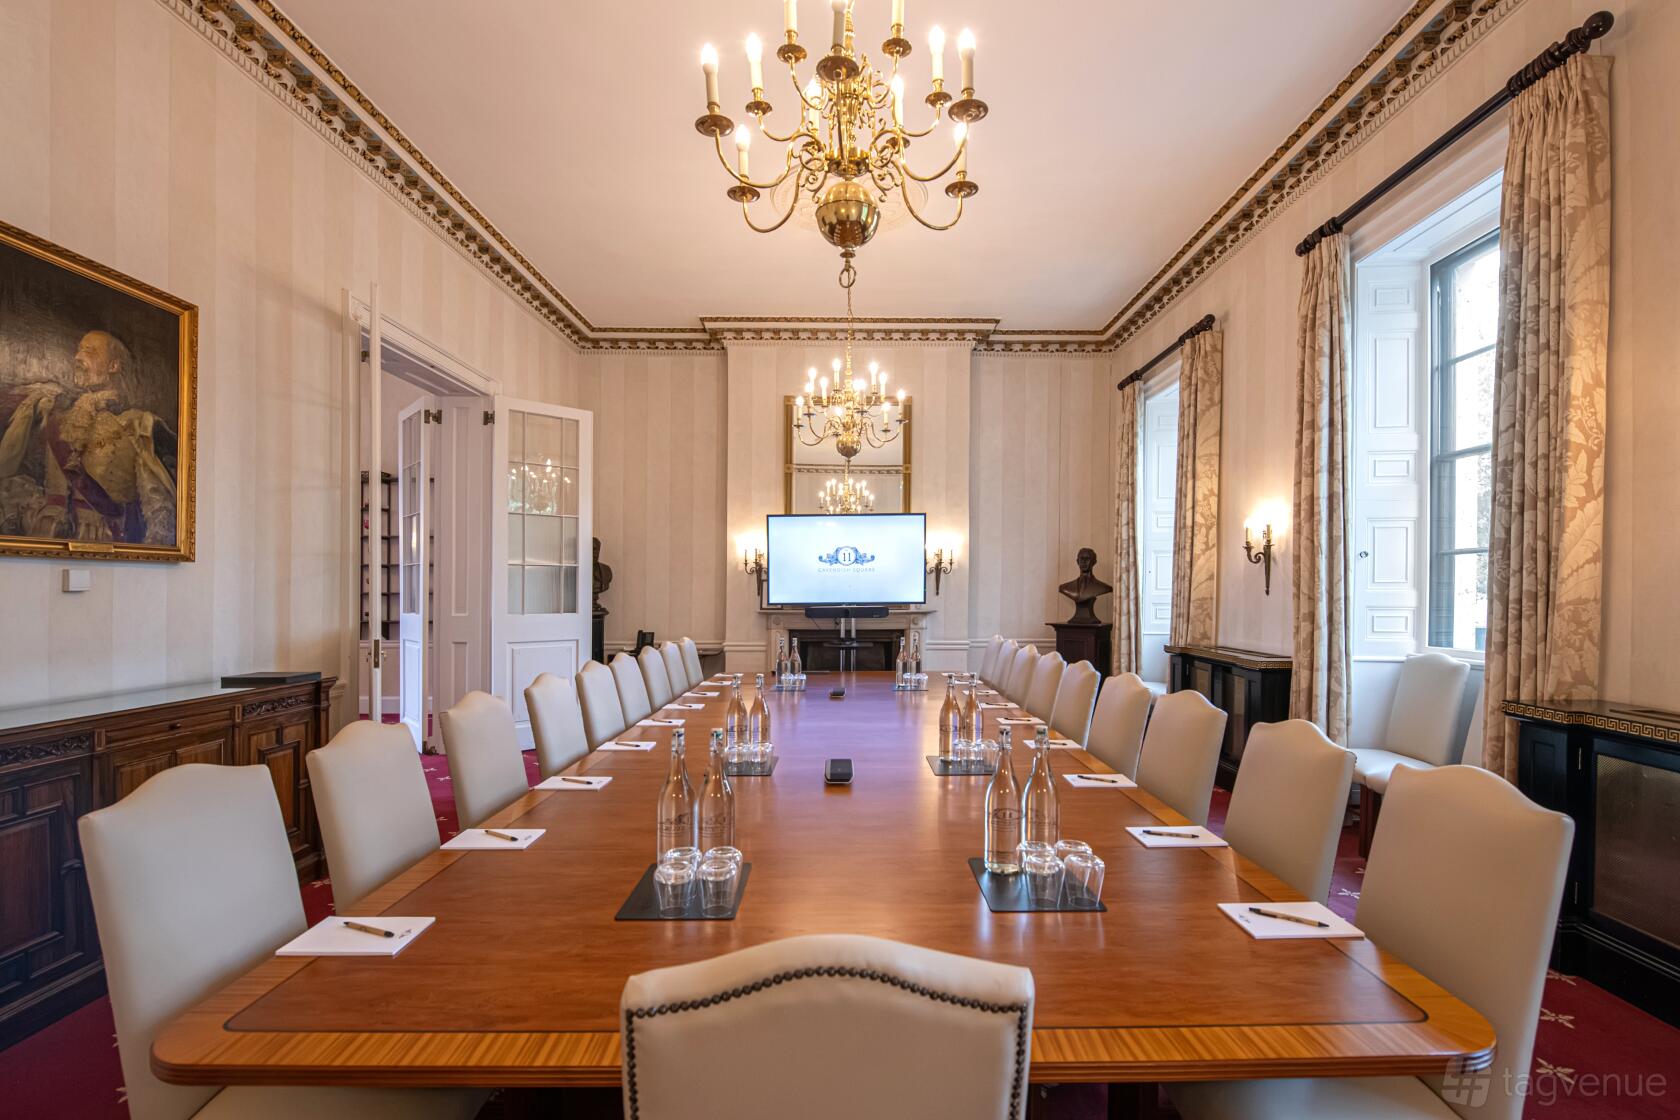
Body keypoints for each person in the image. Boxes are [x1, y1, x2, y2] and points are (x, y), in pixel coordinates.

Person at [0, 330, 177, 545]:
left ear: (113, 366)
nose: (77, 357)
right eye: (79, 349)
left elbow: (157, 503)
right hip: (50, 533)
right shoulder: (58, 417)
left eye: (90, 351)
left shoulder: (137, 423)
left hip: (105, 537)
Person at [1057, 547, 1112, 625]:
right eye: (1081, 559)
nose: (1084, 562)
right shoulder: (1065, 588)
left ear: (1094, 562)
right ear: (1077, 561)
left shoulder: (1103, 587)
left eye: (1087, 559)